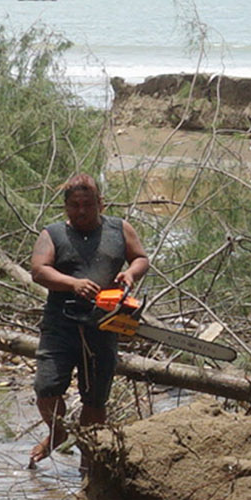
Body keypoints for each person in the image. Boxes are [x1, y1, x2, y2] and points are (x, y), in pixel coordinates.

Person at [25, 174, 146, 468]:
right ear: (66, 207)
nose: (81, 211)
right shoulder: (52, 234)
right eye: (75, 205)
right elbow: (39, 270)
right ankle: (57, 432)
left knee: (95, 398)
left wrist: (130, 275)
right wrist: (72, 283)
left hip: (104, 324)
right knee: (47, 387)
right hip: (60, 323)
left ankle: (89, 463)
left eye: (88, 204)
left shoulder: (120, 229)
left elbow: (141, 258)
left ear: (100, 204)